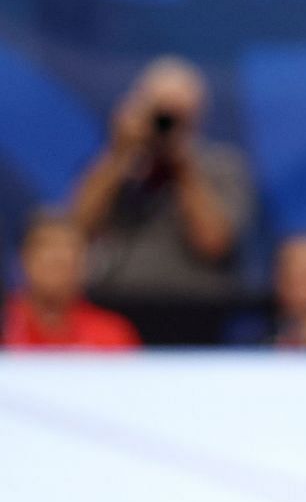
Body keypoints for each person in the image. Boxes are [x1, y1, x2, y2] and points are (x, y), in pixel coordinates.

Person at [69, 57, 254, 306]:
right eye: (159, 114)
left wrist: (183, 168)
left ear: (196, 118)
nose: (165, 126)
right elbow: (77, 228)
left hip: (194, 309)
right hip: (116, 303)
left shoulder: (223, 166)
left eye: (176, 117)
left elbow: (213, 243)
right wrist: (119, 153)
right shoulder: (115, 164)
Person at [2, 212, 141, 351]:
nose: (58, 258)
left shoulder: (112, 334)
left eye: (69, 249)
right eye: (47, 248)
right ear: (24, 258)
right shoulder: (5, 326)